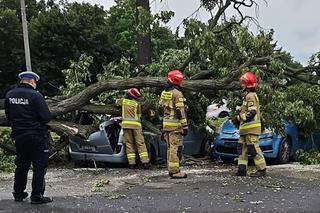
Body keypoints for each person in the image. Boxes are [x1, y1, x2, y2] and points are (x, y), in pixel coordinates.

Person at [4, 71, 52, 204]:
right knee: (39, 166)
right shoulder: (36, 96)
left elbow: (9, 116)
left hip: (19, 136)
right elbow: (46, 117)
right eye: (35, 83)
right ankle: (37, 196)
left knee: (21, 165)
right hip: (36, 136)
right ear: (32, 81)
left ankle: (18, 193)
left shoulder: (10, 95)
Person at [232, 71, 267, 177]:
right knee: (242, 149)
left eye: (243, 83)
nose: (241, 84)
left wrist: (238, 118)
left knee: (253, 148)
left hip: (251, 129)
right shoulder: (247, 96)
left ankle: (262, 170)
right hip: (245, 129)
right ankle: (242, 170)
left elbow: (252, 112)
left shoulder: (251, 96)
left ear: (248, 84)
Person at [159, 70, 188, 178]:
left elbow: (160, 109)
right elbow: (180, 111)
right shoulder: (177, 93)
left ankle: (171, 169)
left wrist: (162, 126)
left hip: (166, 124)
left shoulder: (164, 92)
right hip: (175, 125)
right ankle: (175, 171)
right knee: (175, 148)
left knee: (170, 148)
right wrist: (185, 126)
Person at [116, 88, 150, 169]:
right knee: (140, 143)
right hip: (136, 126)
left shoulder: (123, 101)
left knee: (129, 144)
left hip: (126, 125)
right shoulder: (136, 104)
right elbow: (139, 115)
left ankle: (132, 163)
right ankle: (145, 162)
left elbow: (116, 103)